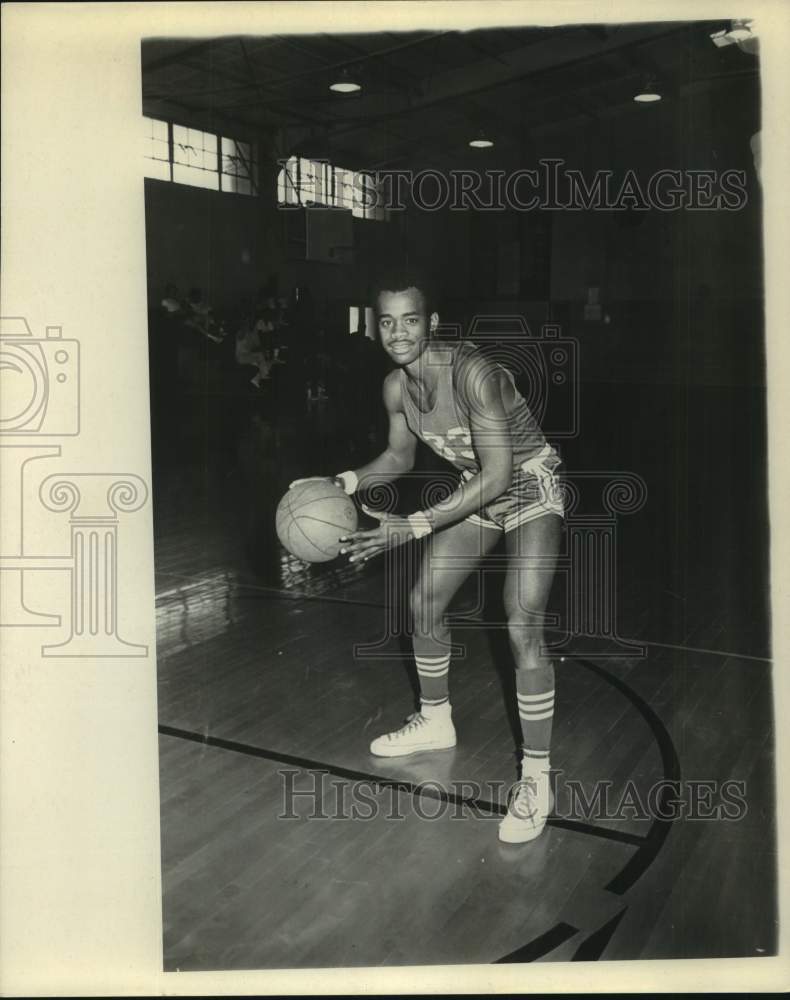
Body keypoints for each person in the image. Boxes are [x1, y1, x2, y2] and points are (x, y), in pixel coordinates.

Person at [295, 268, 564, 844]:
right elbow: (397, 461)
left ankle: (538, 778)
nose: (398, 332)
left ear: (432, 324)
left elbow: (499, 476)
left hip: (530, 488)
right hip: (479, 487)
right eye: (387, 322)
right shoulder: (396, 388)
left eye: (409, 320)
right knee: (423, 601)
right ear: (375, 328)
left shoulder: (475, 375)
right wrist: (338, 482)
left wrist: (412, 525)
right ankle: (435, 721)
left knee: (522, 623)